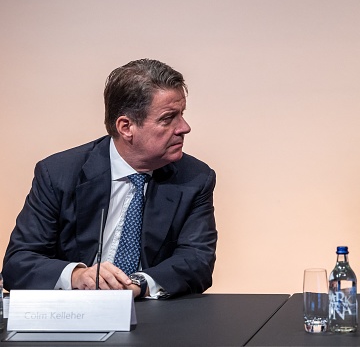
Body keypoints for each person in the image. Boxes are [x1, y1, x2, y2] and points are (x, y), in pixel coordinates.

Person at [3, 59, 217, 299]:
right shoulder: (59, 174)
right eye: (168, 118)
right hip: (73, 314)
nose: (184, 127)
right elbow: (18, 264)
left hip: (152, 316)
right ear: (126, 127)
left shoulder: (195, 178)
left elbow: (197, 261)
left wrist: (138, 284)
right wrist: (76, 277)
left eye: (182, 115)